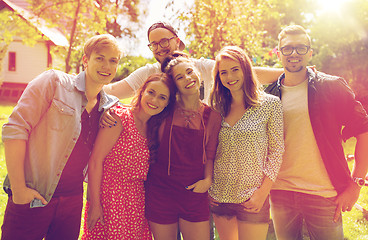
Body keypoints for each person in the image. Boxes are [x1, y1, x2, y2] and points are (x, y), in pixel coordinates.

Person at [1, 34, 122, 240]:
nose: (106, 66)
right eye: (100, 58)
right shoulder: (54, 82)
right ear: (85, 59)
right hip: (33, 194)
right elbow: (15, 129)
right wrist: (20, 190)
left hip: (72, 201)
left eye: (113, 61)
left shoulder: (108, 106)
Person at [265, 25, 368, 240]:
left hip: (324, 194)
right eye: (288, 48)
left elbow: (364, 131)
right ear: (278, 53)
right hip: (280, 193)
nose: (294, 53)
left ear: (310, 53)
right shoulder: (269, 95)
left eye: (301, 48)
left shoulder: (332, 87)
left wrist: (356, 183)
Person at [81, 73, 176, 239]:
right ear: (142, 91)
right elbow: (96, 161)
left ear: (167, 103)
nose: (154, 101)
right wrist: (95, 204)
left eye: (162, 97)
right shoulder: (119, 118)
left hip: (136, 201)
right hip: (110, 197)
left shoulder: (154, 128)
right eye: (151, 93)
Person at [103, 21, 282, 104]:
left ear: (177, 41)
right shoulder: (150, 73)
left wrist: (292, 73)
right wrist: (76, 84)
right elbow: (112, 90)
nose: (160, 48)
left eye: (164, 41)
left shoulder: (202, 67)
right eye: (154, 44)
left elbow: (247, 72)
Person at [208, 46, 284, 240]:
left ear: (246, 69)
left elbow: (277, 151)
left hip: (252, 196)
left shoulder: (270, 104)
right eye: (223, 72)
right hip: (220, 195)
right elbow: (209, 150)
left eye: (235, 69)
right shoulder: (217, 106)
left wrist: (262, 192)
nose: (229, 76)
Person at [144, 53, 222, 240]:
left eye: (189, 72)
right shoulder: (163, 109)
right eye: (180, 77)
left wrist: (208, 180)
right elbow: (136, 110)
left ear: (198, 74)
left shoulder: (213, 116)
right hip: (160, 192)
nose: (187, 78)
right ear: (175, 86)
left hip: (194, 194)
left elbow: (210, 154)